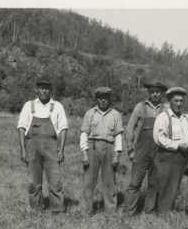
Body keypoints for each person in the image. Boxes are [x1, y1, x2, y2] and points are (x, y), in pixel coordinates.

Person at [17, 78, 68, 212]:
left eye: (46, 88)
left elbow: (63, 129)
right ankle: (36, 209)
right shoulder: (29, 106)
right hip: (32, 149)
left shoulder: (57, 106)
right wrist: (23, 150)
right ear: (36, 90)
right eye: (41, 88)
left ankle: (57, 210)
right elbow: (21, 128)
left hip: (51, 148)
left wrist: (61, 150)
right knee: (34, 182)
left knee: (55, 182)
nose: (44, 90)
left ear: (50, 90)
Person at [125, 81, 167, 215]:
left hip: (158, 152)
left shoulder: (166, 109)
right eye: (153, 92)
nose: (155, 94)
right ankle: (129, 212)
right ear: (149, 93)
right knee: (134, 183)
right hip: (141, 151)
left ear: (161, 93)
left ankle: (149, 211)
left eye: (158, 92)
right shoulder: (140, 107)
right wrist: (130, 149)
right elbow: (130, 128)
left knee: (154, 184)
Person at [80, 87, 123, 215]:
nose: (103, 100)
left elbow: (118, 136)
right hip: (92, 147)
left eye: (106, 98)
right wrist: (84, 153)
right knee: (89, 181)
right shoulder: (90, 113)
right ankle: (86, 210)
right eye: (101, 98)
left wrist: (117, 155)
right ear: (97, 99)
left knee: (109, 181)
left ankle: (110, 211)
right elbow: (84, 133)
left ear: (109, 99)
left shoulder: (116, 114)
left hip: (109, 147)